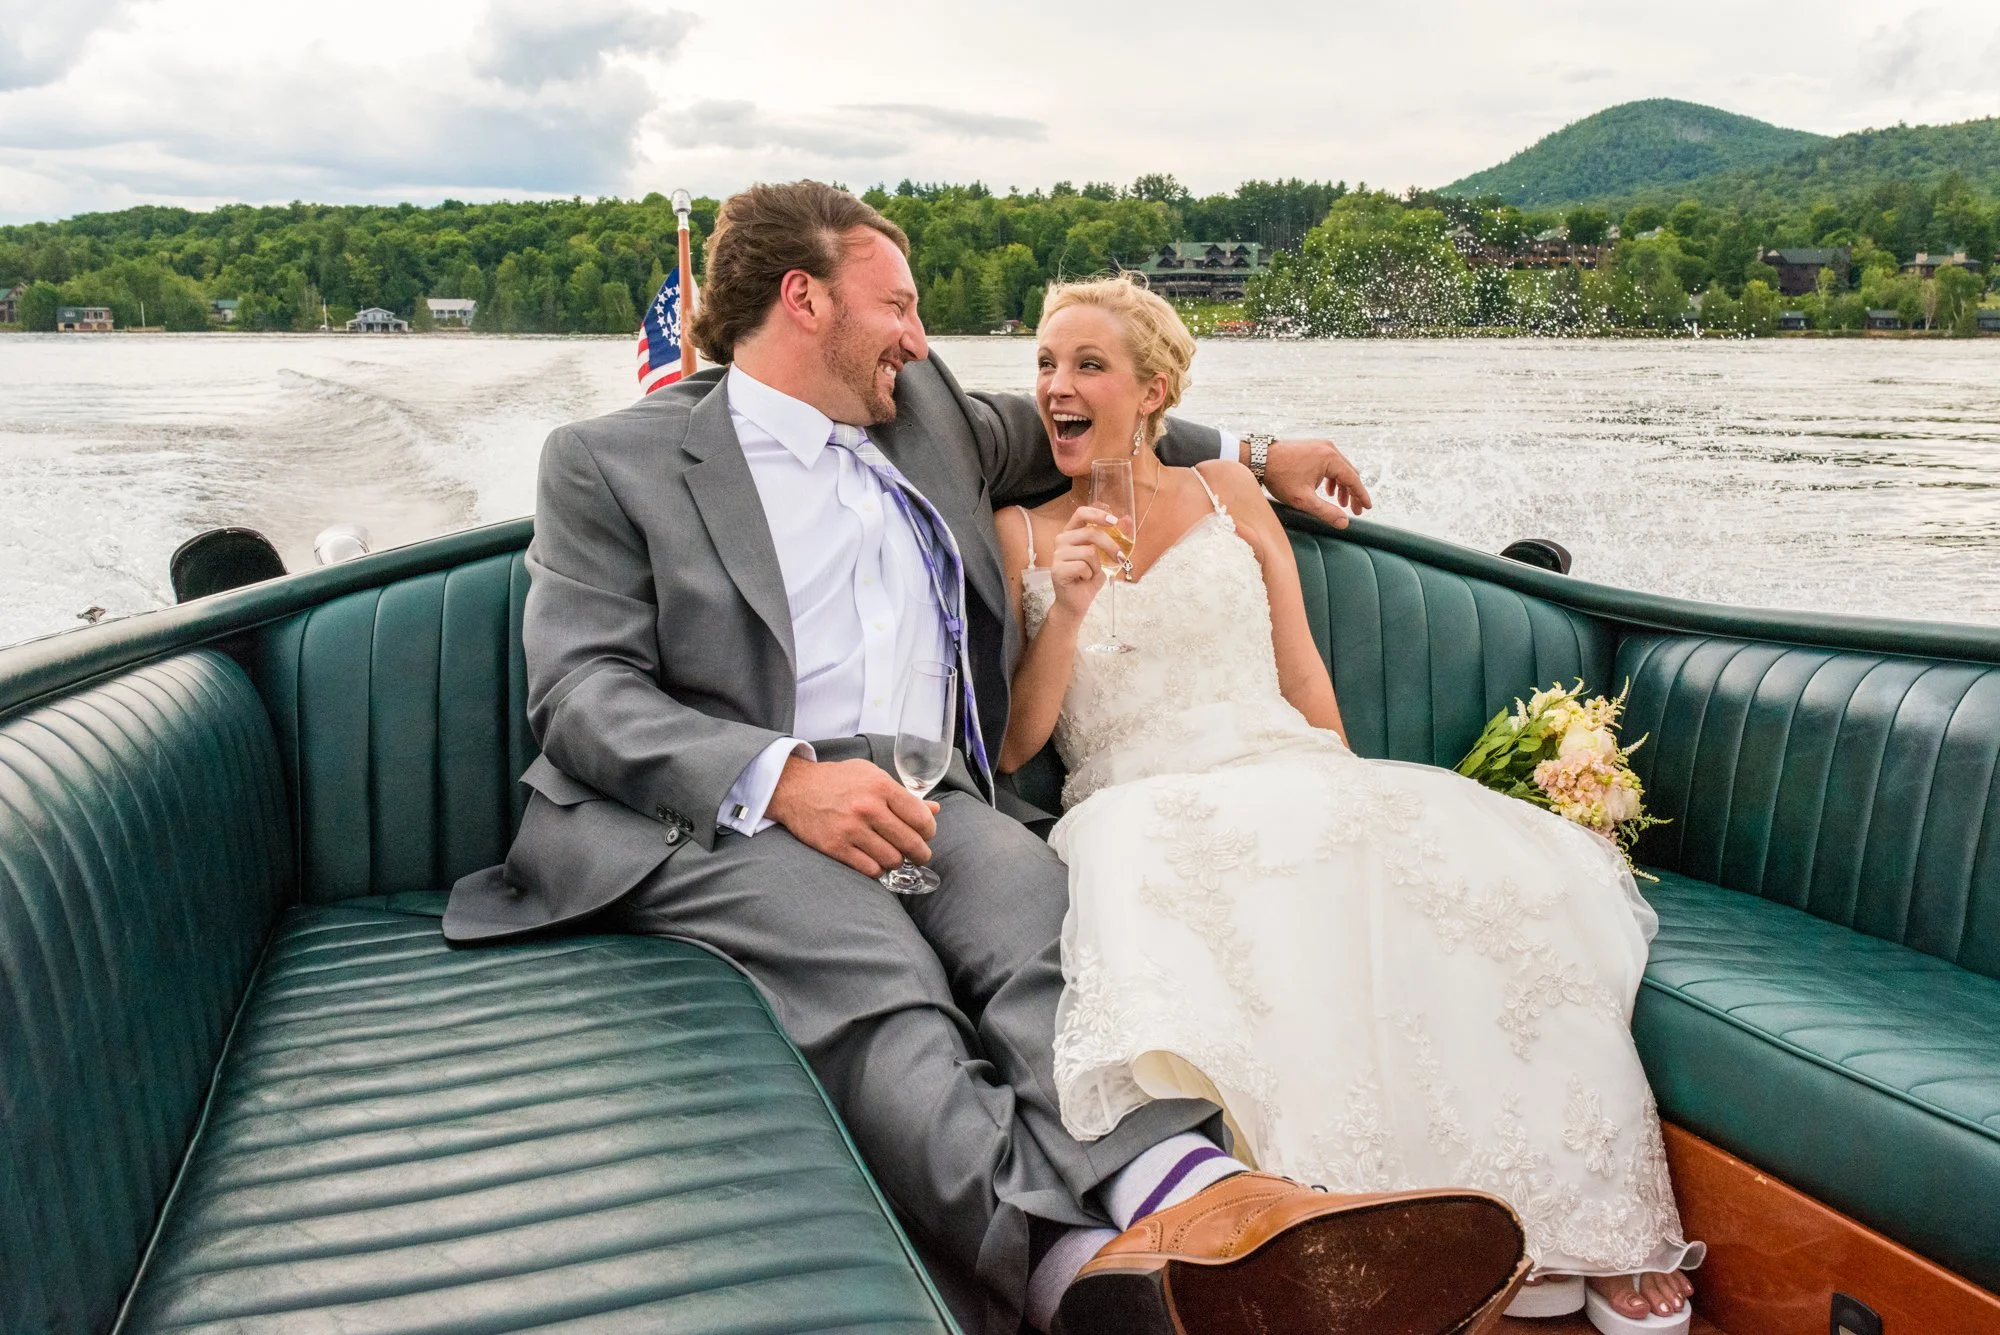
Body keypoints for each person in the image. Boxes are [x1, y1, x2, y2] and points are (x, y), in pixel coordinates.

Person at [445, 181, 1530, 1335]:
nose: (918, 337)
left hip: (930, 792)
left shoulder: (929, 416)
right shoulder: (611, 462)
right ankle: (1071, 1274)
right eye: (898, 306)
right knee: (881, 980)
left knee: (1047, 931)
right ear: (802, 300)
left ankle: (1203, 1203)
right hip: (725, 807)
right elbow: (582, 694)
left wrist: (1263, 451)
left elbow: (1111, 420)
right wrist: (787, 780)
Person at [995, 274, 1705, 1335]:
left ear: (1152, 393)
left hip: (1280, 760)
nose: (1056, 385)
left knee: (1439, 863)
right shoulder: (1021, 526)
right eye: (1045, 364)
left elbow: (1301, 676)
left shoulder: (1231, 497)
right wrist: (1069, 609)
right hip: (1136, 792)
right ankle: (1313, 1233)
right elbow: (1015, 744)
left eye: (1086, 365)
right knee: (1187, 875)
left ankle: (1565, 1221)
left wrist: (1344, 784)